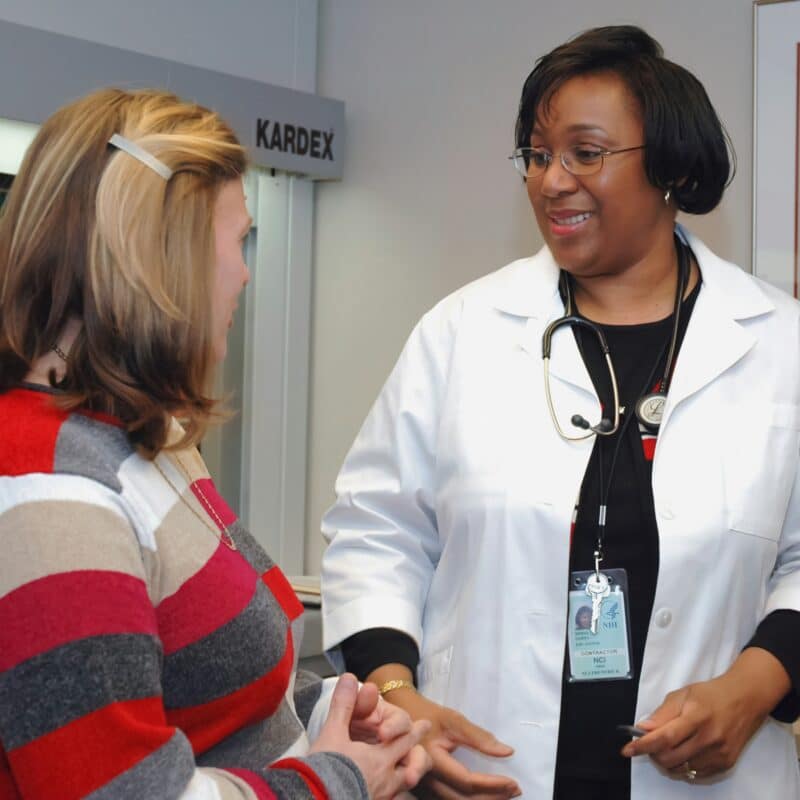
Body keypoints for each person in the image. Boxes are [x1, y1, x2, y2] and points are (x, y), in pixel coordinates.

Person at [320, 25, 800, 800]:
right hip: (485, 769)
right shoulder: (464, 331)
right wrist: (400, 701)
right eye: (538, 155)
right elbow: (377, 532)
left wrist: (754, 686)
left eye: (585, 152)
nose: (551, 181)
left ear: (671, 165)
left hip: (705, 779)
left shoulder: (781, 346)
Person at [0, 87, 432, 800]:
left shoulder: (146, 439)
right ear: (165, 260)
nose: (244, 272)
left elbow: (226, 698)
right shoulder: (49, 493)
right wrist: (335, 782)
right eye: (238, 241)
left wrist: (331, 714)